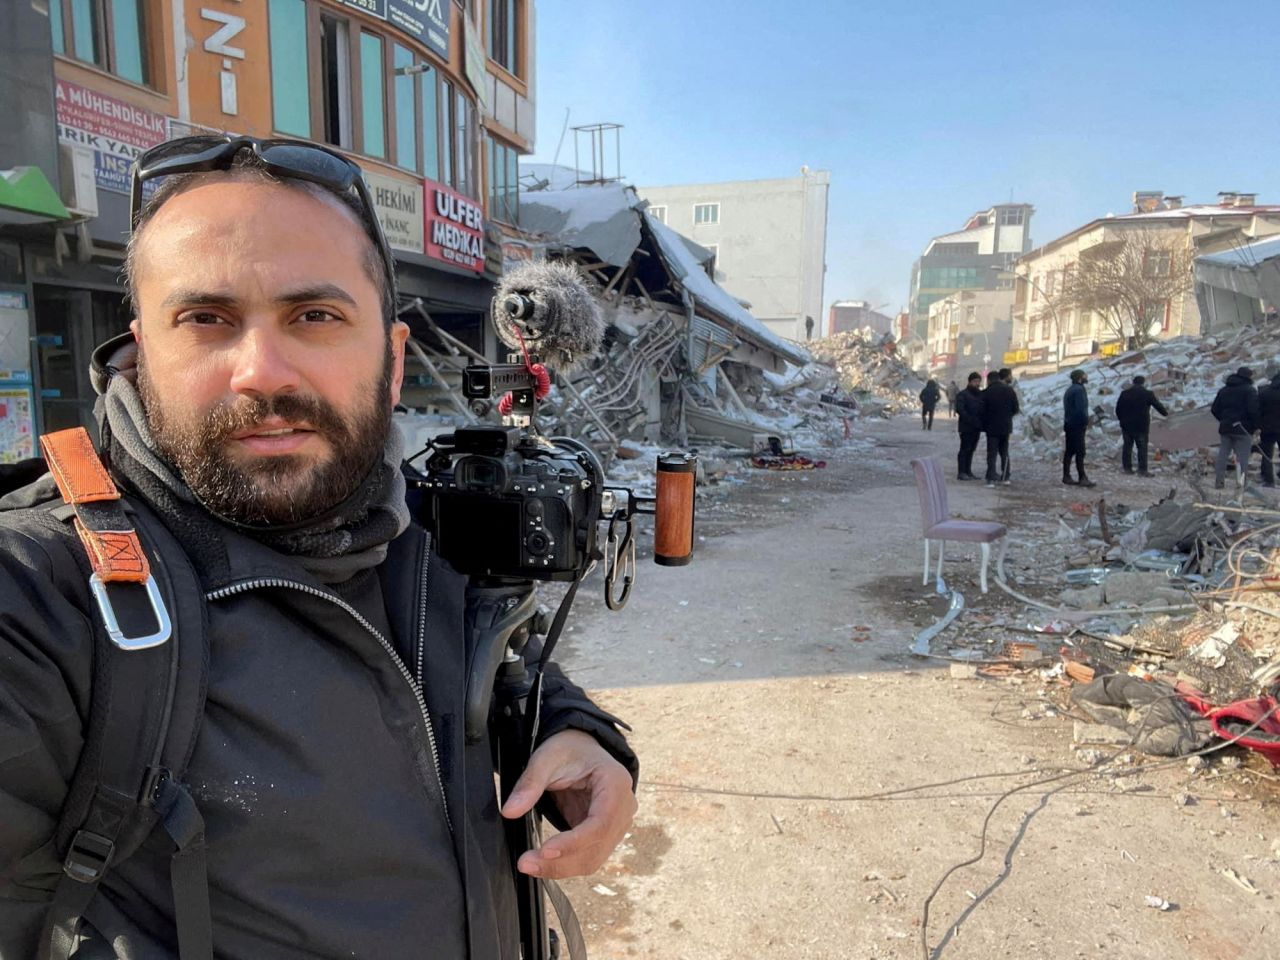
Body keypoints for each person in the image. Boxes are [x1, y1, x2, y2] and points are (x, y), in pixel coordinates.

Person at [0, 137, 638, 957]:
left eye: (315, 316)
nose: (261, 372)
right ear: (138, 354)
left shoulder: (413, 533)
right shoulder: (42, 595)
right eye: (205, 319)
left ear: (394, 360)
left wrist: (583, 735)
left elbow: (498, 657)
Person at [1211, 366, 1260, 489]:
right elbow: (1253, 410)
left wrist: (1223, 420)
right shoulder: (1249, 391)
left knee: (1223, 455)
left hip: (1226, 428)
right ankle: (1241, 483)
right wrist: (1255, 427)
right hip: (1243, 429)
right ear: (1249, 377)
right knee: (1242, 457)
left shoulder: (1224, 390)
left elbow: (1214, 409)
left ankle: (1219, 482)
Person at [1113, 374, 1169, 476]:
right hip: (1141, 425)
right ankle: (1142, 470)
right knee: (1142, 448)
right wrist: (1166, 414)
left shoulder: (1124, 393)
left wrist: (1122, 420)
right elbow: (1158, 406)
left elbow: (1118, 409)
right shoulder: (1147, 394)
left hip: (1127, 425)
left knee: (1127, 447)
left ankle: (1127, 469)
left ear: (1133, 382)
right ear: (1143, 383)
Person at [981, 369, 1019, 487]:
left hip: (991, 427)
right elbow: (1016, 409)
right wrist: (1007, 416)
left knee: (992, 453)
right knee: (1004, 452)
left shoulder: (987, 392)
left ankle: (991, 478)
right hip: (1005, 426)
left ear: (989, 380)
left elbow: (981, 410)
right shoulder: (1009, 390)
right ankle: (1006, 476)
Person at [1062, 368, 1096, 488]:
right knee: (1080, 451)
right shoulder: (1079, 390)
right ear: (1080, 378)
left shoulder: (1070, 390)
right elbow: (1081, 409)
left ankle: (1066, 475)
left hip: (1069, 424)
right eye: (1084, 375)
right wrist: (1085, 422)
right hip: (1077, 425)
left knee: (1070, 451)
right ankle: (1082, 477)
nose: (1086, 377)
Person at [954, 371, 985, 480]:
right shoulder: (963, 394)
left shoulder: (980, 395)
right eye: (975, 381)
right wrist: (970, 419)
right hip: (966, 427)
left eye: (978, 381)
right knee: (964, 449)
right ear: (970, 382)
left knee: (972, 449)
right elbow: (960, 409)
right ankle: (961, 472)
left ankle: (968, 471)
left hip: (976, 427)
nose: (977, 384)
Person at [1257, 370, 1280, 487]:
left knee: (1267, 455)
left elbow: (1258, 411)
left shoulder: (1265, 393)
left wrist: (1258, 425)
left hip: (1267, 429)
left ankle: (1268, 480)